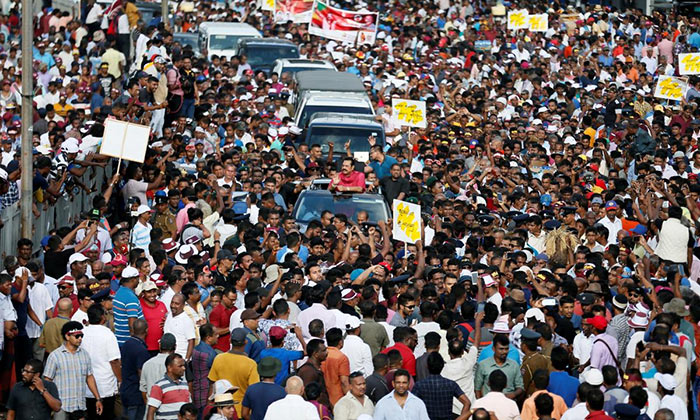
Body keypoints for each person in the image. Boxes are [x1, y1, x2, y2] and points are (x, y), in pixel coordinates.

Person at [43, 321, 103, 420]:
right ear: (67, 336)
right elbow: (47, 381)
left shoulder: (85, 355)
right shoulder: (55, 356)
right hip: (61, 407)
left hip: (80, 406)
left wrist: (98, 398)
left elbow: (89, 377)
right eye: (77, 336)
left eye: (81, 336)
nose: (80, 339)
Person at [80, 304, 121, 419]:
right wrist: (120, 379)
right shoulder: (108, 334)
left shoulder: (82, 334)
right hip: (105, 387)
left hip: (87, 387)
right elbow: (114, 361)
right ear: (103, 317)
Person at [208, 328, 260, 417]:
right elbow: (253, 391)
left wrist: (209, 404)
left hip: (221, 410)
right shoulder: (251, 364)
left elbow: (212, 384)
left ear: (230, 340)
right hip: (241, 411)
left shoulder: (219, 358)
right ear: (246, 342)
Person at [412, 352, 471, 420]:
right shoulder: (451, 384)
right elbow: (467, 402)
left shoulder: (419, 385)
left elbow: (411, 405)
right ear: (442, 366)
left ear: (427, 366)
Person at [474, 334, 524, 399]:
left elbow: (520, 387)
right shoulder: (483, 365)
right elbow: (477, 388)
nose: (504, 352)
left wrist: (513, 395)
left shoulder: (514, 365)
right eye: (501, 349)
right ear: (494, 349)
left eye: (506, 349)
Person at [120, 318, 151, 420]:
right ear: (146, 330)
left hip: (125, 390)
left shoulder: (126, 344)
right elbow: (141, 374)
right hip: (135, 394)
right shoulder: (141, 350)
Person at [146, 353, 192, 420]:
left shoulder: (184, 384)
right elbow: (151, 411)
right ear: (169, 368)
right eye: (180, 366)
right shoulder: (159, 386)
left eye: (184, 365)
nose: (184, 368)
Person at [113, 266, 144, 345]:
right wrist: (135, 343)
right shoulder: (130, 298)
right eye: (137, 278)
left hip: (120, 340)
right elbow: (132, 324)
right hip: (127, 342)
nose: (139, 280)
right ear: (133, 280)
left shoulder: (119, 292)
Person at [321, 327, 351, 406]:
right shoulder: (342, 358)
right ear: (340, 342)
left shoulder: (321, 355)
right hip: (337, 399)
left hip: (323, 398)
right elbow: (344, 382)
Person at [164, 293, 196, 360]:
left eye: (177, 304)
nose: (173, 305)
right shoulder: (169, 315)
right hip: (168, 357)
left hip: (181, 358)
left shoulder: (186, 320)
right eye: (172, 302)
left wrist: (186, 360)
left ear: (183, 305)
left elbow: (191, 341)